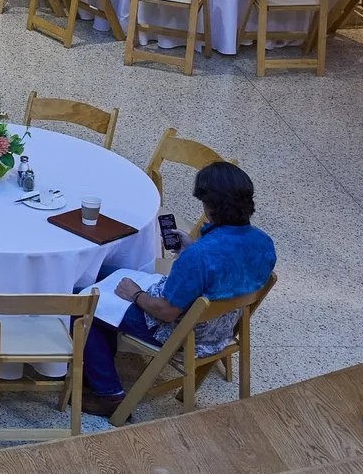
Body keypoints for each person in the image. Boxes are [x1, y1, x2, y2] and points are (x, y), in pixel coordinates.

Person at [85, 160, 275, 413]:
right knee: (113, 275)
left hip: (181, 332)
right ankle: (101, 363)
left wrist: (136, 294)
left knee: (86, 303)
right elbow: (227, 270)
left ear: (210, 207)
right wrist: (192, 247)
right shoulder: (264, 242)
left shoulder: (199, 257)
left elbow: (166, 311)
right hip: (222, 328)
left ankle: (108, 392)